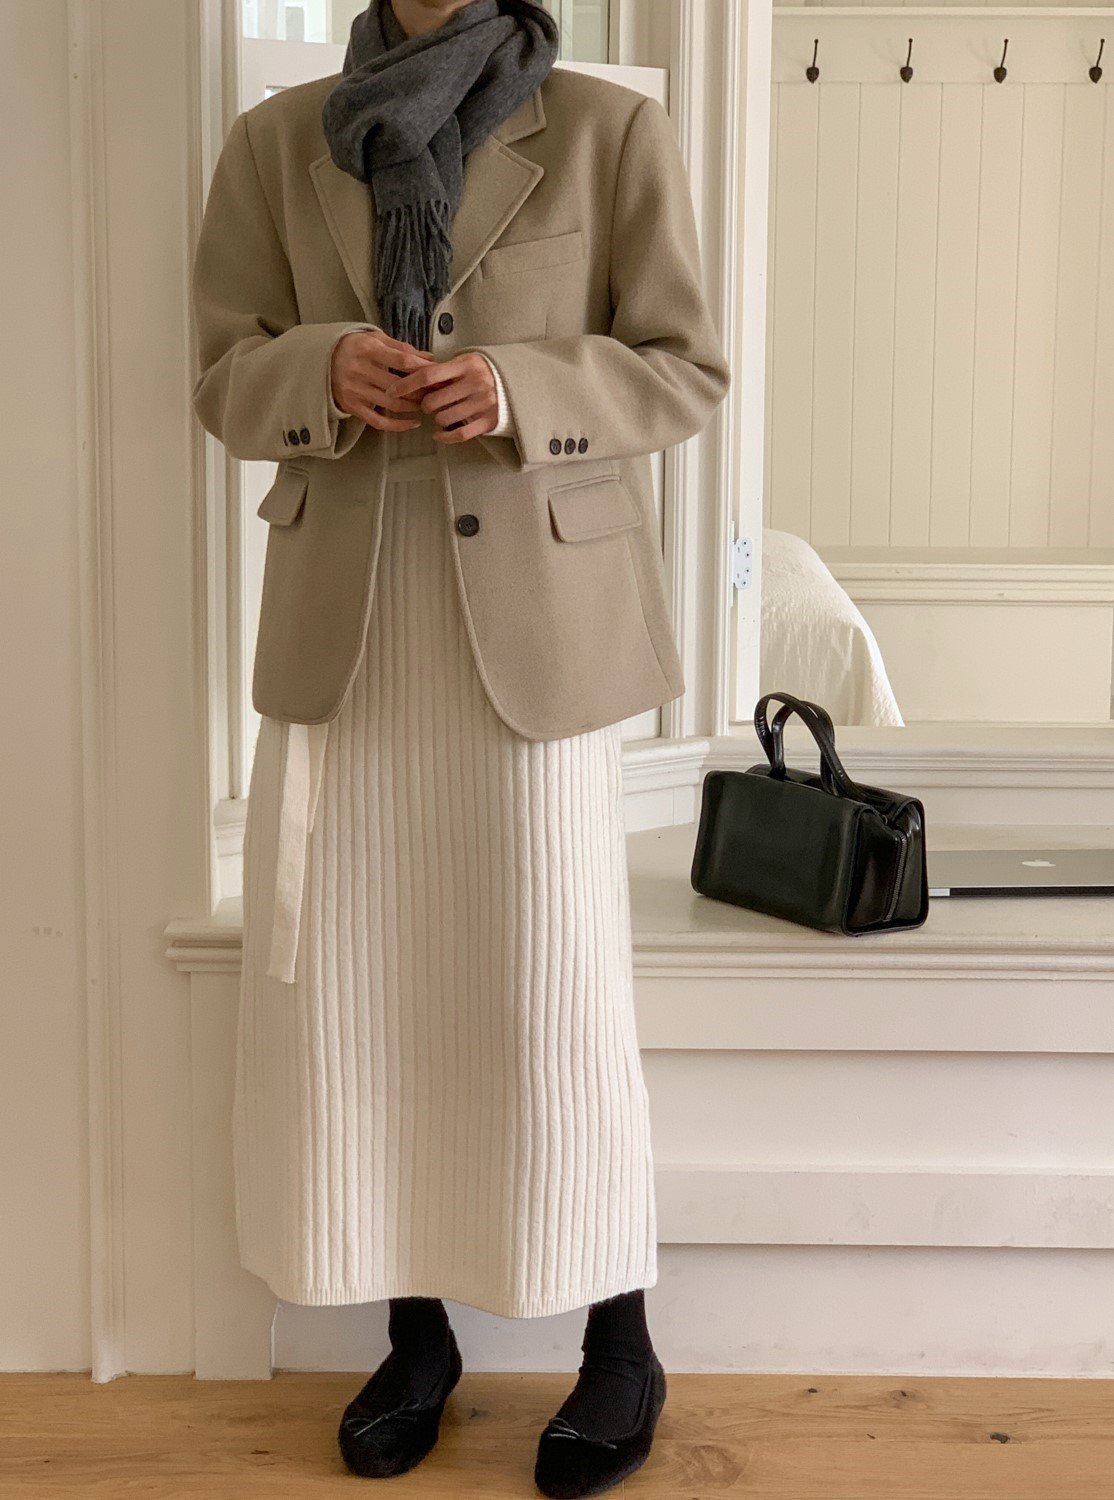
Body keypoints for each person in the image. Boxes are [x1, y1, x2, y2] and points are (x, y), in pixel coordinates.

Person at [189, 1, 730, 1494]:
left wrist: (519, 388)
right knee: (359, 989)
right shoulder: (275, 144)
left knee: (553, 990)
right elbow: (221, 370)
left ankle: (618, 1342)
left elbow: (684, 367)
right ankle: (414, 1337)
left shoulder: (609, 129)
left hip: (535, 638)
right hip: (350, 626)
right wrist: (318, 373)